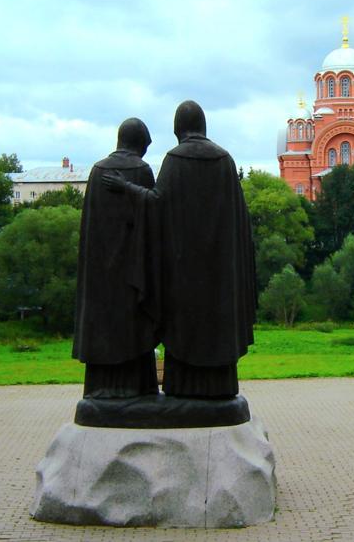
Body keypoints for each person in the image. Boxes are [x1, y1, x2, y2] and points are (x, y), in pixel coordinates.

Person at [105, 100, 256, 399]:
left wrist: (126, 188)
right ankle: (221, 390)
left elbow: (156, 204)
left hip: (184, 269)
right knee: (216, 326)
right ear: (203, 126)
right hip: (220, 272)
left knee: (185, 326)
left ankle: (182, 390)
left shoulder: (175, 159)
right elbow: (239, 220)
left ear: (178, 129)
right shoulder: (225, 160)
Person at [73, 118, 159, 398]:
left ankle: (100, 388)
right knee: (132, 326)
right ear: (139, 143)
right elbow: (154, 216)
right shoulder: (141, 170)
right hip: (132, 268)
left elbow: (89, 226)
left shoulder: (97, 171)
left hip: (99, 268)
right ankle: (137, 388)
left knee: (104, 323)